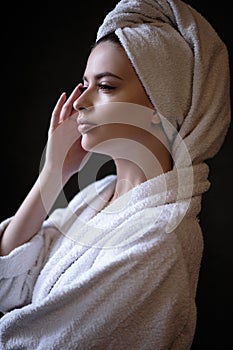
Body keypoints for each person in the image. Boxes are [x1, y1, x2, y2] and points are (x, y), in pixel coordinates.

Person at [0, 0, 231, 349]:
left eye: (105, 86)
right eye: (84, 83)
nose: (79, 102)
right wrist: (53, 173)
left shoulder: (159, 241)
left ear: (162, 107)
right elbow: (9, 289)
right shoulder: (100, 194)